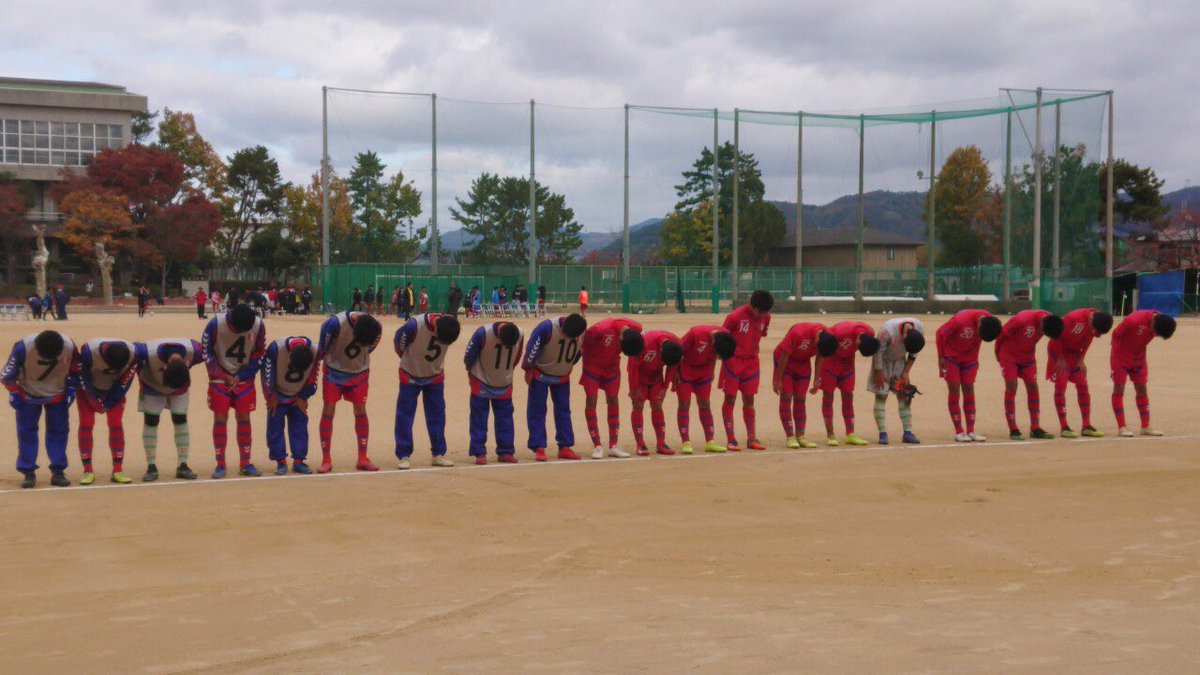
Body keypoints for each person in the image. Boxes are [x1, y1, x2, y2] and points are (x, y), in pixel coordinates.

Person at [2, 330, 78, 488]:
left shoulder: (70, 346)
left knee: (59, 432)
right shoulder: (22, 347)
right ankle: (28, 471)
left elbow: (76, 370)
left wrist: (71, 388)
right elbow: (7, 374)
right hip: (27, 394)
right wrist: (14, 392)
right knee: (26, 432)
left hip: (57, 393)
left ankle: (58, 471)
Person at [202, 303, 267, 478]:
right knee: (220, 418)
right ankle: (220, 464)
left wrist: (243, 374)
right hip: (219, 378)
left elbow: (259, 353)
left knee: (244, 418)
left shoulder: (258, 325)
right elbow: (206, 353)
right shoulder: (215, 324)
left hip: (243, 378)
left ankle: (245, 463)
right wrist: (223, 375)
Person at [316, 310, 383, 473]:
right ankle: (326, 459)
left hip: (359, 372)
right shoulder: (333, 324)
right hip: (334, 372)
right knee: (328, 410)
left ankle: (362, 457)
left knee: (361, 410)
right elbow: (321, 350)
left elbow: (370, 348)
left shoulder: (376, 327)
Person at [394, 312, 462, 469]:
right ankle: (404, 455)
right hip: (410, 374)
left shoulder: (450, 328)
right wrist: (410, 361)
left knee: (437, 415)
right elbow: (399, 344)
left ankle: (438, 453)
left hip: (434, 375)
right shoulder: (414, 325)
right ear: (435, 329)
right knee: (405, 415)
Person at [135, 338, 203, 481]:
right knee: (151, 421)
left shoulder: (195, 351)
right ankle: (151, 465)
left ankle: (182, 464)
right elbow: (131, 353)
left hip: (180, 386)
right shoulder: (145, 352)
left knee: (180, 419)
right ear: (164, 368)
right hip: (151, 386)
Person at [523, 313, 587, 461]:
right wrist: (529, 369)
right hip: (540, 374)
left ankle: (564, 446)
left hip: (562, 375)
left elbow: (579, 352)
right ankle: (539, 446)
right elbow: (532, 348)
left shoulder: (582, 331)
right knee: (537, 409)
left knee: (564, 410)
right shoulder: (547, 328)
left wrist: (566, 366)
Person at [995, 309, 1064, 440]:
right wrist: (997, 354)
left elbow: (1058, 339)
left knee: (1033, 386)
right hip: (1009, 355)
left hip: (1028, 357)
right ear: (1042, 325)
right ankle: (1013, 428)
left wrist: (1060, 357)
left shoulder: (1053, 321)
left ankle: (1035, 427)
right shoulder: (1021, 319)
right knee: (1012, 387)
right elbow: (1002, 335)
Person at [580, 316, 643, 459]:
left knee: (613, 400)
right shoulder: (599, 329)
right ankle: (597, 446)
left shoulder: (636, 328)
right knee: (591, 400)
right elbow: (583, 343)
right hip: (592, 367)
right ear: (620, 338)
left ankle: (613, 445)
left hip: (612, 369)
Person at [77, 338, 138, 485]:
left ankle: (117, 470)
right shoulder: (88, 352)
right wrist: (93, 399)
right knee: (86, 424)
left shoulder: (134, 354)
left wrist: (109, 402)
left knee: (115, 423)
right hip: (87, 391)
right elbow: (83, 377)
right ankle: (88, 470)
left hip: (114, 391)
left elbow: (125, 382)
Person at [719, 290, 774, 450]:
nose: (762, 315)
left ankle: (751, 438)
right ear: (752, 305)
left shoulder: (766, 317)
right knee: (730, 398)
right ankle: (731, 439)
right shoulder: (734, 317)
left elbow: (760, 334)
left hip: (752, 363)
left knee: (749, 400)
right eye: (760, 311)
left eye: (765, 312)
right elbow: (722, 340)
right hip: (733, 362)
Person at [936, 309, 1003, 442]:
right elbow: (940, 334)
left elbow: (978, 341)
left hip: (970, 359)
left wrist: (975, 359)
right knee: (954, 390)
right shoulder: (959, 320)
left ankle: (971, 430)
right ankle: (959, 431)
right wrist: (940, 357)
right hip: (951, 357)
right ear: (978, 325)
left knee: (969, 389)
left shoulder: (990, 322)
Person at [464, 321, 523, 464]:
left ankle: (506, 451)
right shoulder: (483, 333)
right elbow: (468, 357)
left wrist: (506, 371)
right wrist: (472, 374)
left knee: (506, 418)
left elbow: (517, 356)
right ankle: (479, 452)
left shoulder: (519, 333)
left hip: (504, 381)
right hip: (481, 379)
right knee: (479, 419)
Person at [1047, 308, 1113, 438]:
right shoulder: (1073, 318)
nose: (1096, 334)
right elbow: (1056, 336)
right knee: (1061, 385)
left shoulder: (1098, 320)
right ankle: (1064, 427)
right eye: (1096, 331)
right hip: (1058, 350)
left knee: (1083, 384)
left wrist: (1081, 359)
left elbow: (1089, 340)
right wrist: (1060, 358)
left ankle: (1086, 425)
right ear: (1091, 320)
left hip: (1075, 353)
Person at [1110, 309, 1176, 437]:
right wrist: (1119, 356)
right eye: (1155, 332)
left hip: (1139, 357)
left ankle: (1145, 426)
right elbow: (1115, 334)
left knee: (1142, 389)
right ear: (1153, 321)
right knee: (1119, 389)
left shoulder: (1159, 323)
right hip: (1121, 356)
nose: (1155, 335)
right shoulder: (1133, 320)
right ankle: (1122, 427)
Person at [772, 322, 838, 449]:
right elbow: (784, 356)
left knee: (801, 398)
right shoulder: (798, 333)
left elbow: (820, 358)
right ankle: (790, 436)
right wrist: (778, 379)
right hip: (785, 361)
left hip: (803, 364)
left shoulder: (828, 338)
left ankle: (801, 436)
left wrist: (816, 379)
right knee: (786, 396)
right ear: (817, 339)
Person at [674, 325, 737, 454]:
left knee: (705, 404)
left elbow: (715, 356)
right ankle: (686, 442)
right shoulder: (695, 334)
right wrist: (674, 373)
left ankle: (710, 441)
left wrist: (712, 372)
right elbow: (678, 351)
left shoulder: (725, 337)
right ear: (713, 342)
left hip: (705, 373)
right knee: (684, 404)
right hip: (686, 371)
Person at [262, 336, 320, 475]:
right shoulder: (275, 348)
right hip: (277, 395)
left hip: (298, 396)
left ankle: (299, 461)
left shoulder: (316, 350)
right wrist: (271, 396)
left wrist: (304, 396)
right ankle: (280, 461)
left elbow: (314, 375)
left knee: (300, 427)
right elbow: (266, 374)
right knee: (274, 427)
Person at [820, 321, 881, 446]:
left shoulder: (870, 333)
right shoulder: (839, 331)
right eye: (858, 348)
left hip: (847, 363)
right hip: (829, 362)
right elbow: (823, 346)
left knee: (848, 396)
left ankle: (850, 433)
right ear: (858, 341)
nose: (857, 348)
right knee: (828, 396)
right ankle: (830, 434)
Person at [868, 318, 926, 445]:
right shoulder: (887, 330)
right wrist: (879, 371)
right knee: (881, 396)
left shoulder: (919, 328)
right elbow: (878, 351)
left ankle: (907, 433)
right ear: (903, 337)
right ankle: (883, 434)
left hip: (900, 361)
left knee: (904, 396)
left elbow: (913, 353)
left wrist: (905, 372)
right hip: (883, 361)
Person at [628, 330, 683, 456]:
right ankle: (640, 443)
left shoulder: (675, 345)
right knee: (638, 405)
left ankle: (661, 443)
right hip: (639, 376)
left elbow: (671, 366)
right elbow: (633, 367)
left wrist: (665, 387)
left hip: (656, 378)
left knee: (657, 405)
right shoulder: (644, 344)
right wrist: (634, 388)